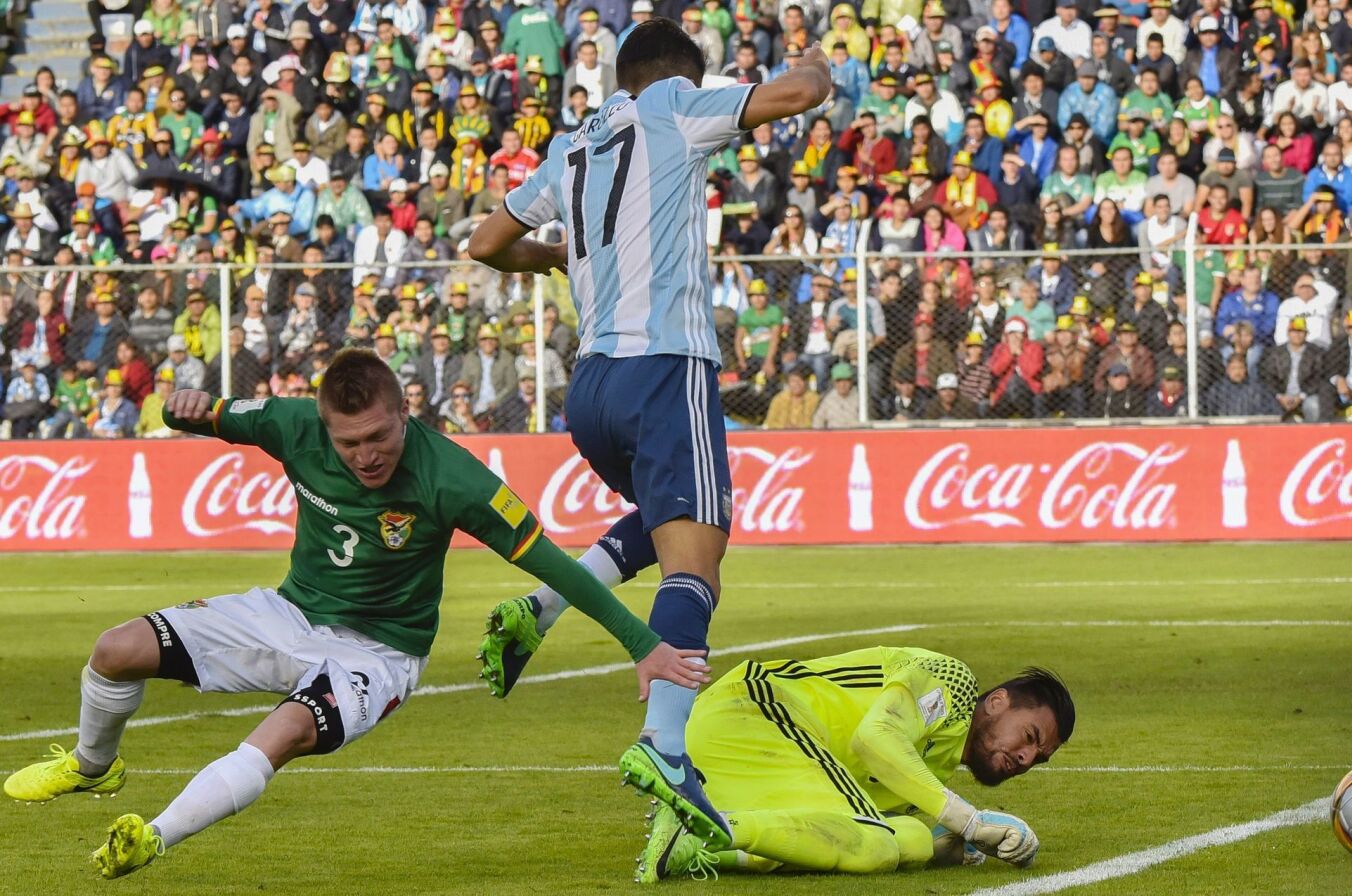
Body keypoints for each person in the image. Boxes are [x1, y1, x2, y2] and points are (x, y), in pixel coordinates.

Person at [3, 349, 704, 879]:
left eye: (380, 437)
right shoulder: (290, 425)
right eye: (349, 443)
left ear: (405, 413)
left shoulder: (453, 477)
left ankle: (153, 835)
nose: (367, 456)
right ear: (324, 428)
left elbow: (549, 562)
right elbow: (206, 415)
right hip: (287, 614)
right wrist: (176, 409)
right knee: (115, 648)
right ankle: (94, 767)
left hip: (379, 654)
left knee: (283, 731)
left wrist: (642, 643)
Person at [464, 19, 832, 846]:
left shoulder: (573, 145)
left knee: (670, 526)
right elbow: (800, 93)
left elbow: (486, 243)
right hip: (667, 365)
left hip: (591, 386)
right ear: (677, 76)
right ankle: (666, 744)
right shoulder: (671, 104)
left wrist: (560, 259)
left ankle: (543, 602)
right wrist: (819, 62)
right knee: (699, 562)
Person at [636, 650, 1073, 882]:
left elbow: (876, 820)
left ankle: (698, 834)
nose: (1026, 758)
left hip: (749, 757)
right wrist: (969, 820)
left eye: (1039, 757)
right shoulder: (951, 682)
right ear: (998, 702)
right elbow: (875, 737)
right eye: (1031, 737)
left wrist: (964, 843)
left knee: (903, 840)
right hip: (757, 711)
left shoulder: (930, 770)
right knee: (879, 845)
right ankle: (713, 835)